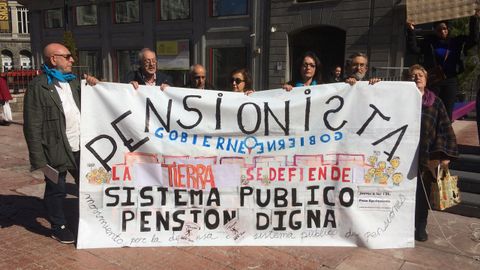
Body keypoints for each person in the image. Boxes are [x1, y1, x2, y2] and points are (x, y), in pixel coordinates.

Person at [23, 42, 98, 244]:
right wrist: (39, 160)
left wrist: (93, 84)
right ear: (53, 59)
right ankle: (59, 226)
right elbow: (32, 126)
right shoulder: (39, 86)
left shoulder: (74, 83)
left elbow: (97, 102)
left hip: (81, 147)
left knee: (90, 184)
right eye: (67, 56)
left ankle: (92, 220)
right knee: (57, 190)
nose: (72, 59)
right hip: (54, 150)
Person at [407, 64, 458, 242]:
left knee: (422, 194)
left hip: (426, 157)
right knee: (404, 193)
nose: (417, 78)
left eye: (420, 75)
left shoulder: (435, 102)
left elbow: (445, 128)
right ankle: (403, 226)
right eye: (413, 76)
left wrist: (444, 156)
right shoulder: (400, 100)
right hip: (404, 156)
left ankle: (421, 226)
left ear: (426, 79)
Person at [406, 10, 480, 120]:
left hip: (450, 80)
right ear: (435, 30)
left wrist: (474, 19)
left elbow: (473, 39)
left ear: (448, 29)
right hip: (434, 80)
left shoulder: (456, 41)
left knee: (447, 112)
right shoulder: (430, 42)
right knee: (431, 109)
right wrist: (411, 31)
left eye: (444, 29)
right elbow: (414, 49)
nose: (442, 31)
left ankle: (445, 134)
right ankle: (431, 133)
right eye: (439, 29)